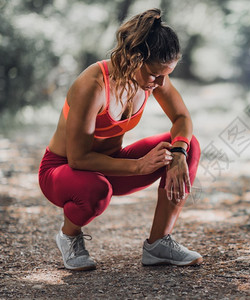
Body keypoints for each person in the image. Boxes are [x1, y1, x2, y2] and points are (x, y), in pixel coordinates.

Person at [38, 8, 203, 271]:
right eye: (154, 74)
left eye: (165, 74)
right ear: (135, 58)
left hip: (110, 166)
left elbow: (182, 117)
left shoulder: (154, 78)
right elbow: (79, 159)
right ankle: (69, 236)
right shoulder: (93, 85)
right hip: (64, 170)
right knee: (97, 190)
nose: (160, 82)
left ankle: (158, 243)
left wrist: (180, 152)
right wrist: (139, 166)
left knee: (189, 145)